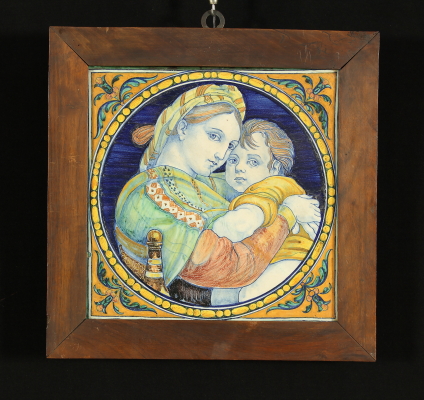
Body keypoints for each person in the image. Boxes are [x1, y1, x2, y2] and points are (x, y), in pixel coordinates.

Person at [114, 84, 316, 306]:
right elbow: (231, 266)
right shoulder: (156, 194)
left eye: (230, 146)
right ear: (182, 128)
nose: (221, 155)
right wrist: (288, 215)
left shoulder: (193, 182)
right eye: (214, 136)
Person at [210, 119, 321, 304]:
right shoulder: (245, 187)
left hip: (289, 260)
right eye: (233, 160)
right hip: (262, 262)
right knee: (221, 297)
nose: (239, 167)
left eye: (253, 161)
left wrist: (222, 229)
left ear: (275, 168)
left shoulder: (275, 184)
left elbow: (239, 223)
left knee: (249, 296)